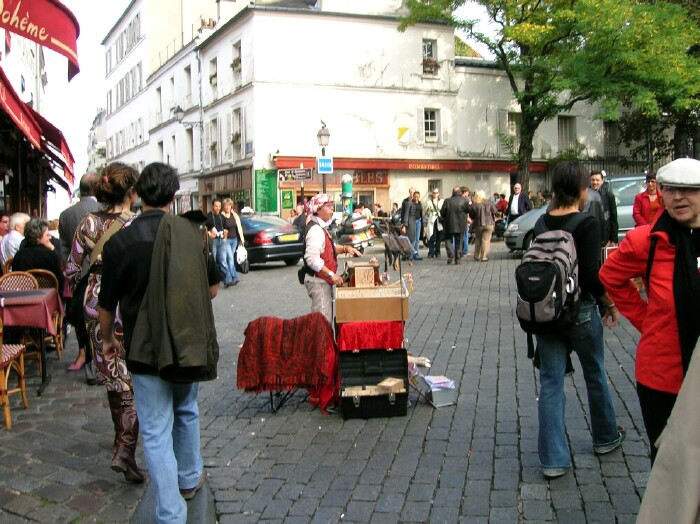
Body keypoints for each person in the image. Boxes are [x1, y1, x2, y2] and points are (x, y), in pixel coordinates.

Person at [98, 162, 223, 523]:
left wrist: (107, 341)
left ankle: (170, 511)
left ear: (138, 196)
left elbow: (107, 304)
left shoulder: (120, 241)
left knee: (154, 429)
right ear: (173, 195)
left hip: (142, 347)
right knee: (186, 411)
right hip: (186, 345)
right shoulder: (193, 233)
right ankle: (188, 478)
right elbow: (213, 289)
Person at [600, 158, 700, 464]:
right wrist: (647, 319)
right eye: (671, 189)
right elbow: (610, 276)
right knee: (670, 463)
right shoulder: (648, 240)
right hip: (665, 375)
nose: (678, 197)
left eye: (689, 190)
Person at [534, 161, 624, 480]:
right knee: (595, 372)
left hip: (546, 314)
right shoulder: (586, 223)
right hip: (581, 311)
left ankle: (553, 459)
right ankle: (605, 437)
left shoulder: (542, 223)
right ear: (583, 189)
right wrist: (609, 302)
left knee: (551, 382)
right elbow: (589, 274)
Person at [65, 162, 143, 483]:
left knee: (113, 373)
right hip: (130, 298)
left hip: (97, 302)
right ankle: (125, 448)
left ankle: (122, 447)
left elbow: (71, 270)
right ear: (131, 192)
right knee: (133, 378)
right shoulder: (137, 224)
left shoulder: (88, 223)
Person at [59, 173, 100, 372]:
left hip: (77, 274)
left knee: (80, 317)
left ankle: (84, 354)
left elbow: (64, 250)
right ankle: (97, 357)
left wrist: (69, 273)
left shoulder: (66, 215)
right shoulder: (103, 211)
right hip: (99, 272)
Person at [302, 193, 361, 323]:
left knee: (325, 319)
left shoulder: (321, 228)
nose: (332, 209)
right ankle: (321, 344)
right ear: (318, 209)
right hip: (318, 282)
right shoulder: (315, 230)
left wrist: (346, 248)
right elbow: (311, 259)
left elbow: (328, 246)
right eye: (328, 206)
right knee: (322, 322)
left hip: (323, 281)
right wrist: (331, 275)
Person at [11, 218, 63, 289]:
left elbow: (15, 280)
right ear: (38, 237)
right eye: (47, 235)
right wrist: (53, 248)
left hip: (24, 294)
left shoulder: (19, 255)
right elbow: (60, 279)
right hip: (49, 294)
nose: (49, 238)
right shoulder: (50, 255)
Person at [218, 198, 245, 288]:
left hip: (234, 240)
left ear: (231, 206)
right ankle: (233, 277)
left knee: (230, 259)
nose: (227, 207)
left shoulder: (235, 215)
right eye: (225, 205)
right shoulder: (222, 216)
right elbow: (220, 228)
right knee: (229, 258)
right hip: (226, 240)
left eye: (229, 205)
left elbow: (239, 227)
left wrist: (241, 239)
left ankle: (230, 278)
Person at [440, 186, 470, 265]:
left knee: (448, 240)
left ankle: (450, 253)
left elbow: (442, 213)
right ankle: (458, 259)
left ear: (452, 192)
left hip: (449, 223)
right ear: (460, 192)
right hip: (460, 224)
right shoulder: (464, 200)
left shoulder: (447, 201)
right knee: (459, 241)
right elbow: (468, 210)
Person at [590, 170, 618, 246]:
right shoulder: (584, 196)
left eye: (597, 180)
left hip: (605, 236)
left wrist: (614, 239)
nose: (595, 182)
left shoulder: (609, 196)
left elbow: (613, 218)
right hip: (589, 235)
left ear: (602, 181)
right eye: (593, 180)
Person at [468, 190, 496, 262]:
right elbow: (495, 211)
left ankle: (477, 256)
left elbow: (471, 215)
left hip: (478, 224)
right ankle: (484, 257)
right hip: (489, 224)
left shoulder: (474, 205)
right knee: (486, 240)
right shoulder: (489, 203)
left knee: (478, 240)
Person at [401, 190, 424, 260]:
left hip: (418, 222)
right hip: (412, 222)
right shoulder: (409, 203)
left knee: (417, 239)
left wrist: (424, 225)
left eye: (418, 197)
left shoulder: (420, 204)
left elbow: (422, 214)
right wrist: (404, 225)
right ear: (413, 196)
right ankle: (409, 254)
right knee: (412, 239)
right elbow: (406, 214)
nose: (416, 198)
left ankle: (416, 254)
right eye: (415, 197)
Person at [206, 198, 225, 273]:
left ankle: (226, 279)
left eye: (219, 206)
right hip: (213, 240)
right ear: (212, 206)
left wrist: (225, 237)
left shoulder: (222, 216)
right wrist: (209, 234)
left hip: (221, 239)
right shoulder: (208, 216)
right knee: (213, 259)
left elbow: (225, 228)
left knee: (223, 260)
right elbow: (204, 228)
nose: (218, 208)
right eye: (216, 206)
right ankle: (212, 277)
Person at [423, 188, 444, 258]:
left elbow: (443, 211)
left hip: (439, 220)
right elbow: (426, 213)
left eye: (436, 193)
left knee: (439, 237)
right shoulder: (428, 202)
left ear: (438, 193)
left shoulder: (442, 201)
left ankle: (438, 251)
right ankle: (431, 252)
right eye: (434, 193)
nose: (435, 194)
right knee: (431, 236)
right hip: (431, 221)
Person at [460, 187, 472, 256]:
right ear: (465, 192)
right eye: (467, 192)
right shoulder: (467, 199)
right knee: (465, 235)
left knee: (461, 236)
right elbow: (468, 210)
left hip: (460, 219)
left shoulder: (458, 198)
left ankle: (461, 250)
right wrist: (468, 218)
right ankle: (465, 251)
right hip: (465, 219)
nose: (468, 194)